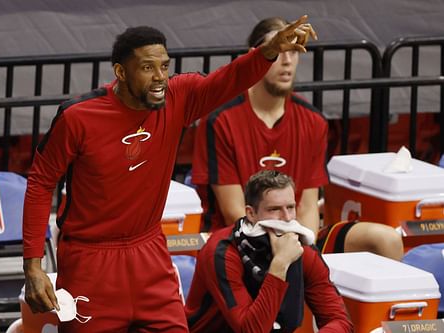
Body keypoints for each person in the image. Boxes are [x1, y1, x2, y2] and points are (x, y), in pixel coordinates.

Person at [22, 18, 317, 332]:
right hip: (90, 261)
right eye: (148, 68)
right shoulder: (78, 117)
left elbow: (229, 79)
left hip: (149, 253)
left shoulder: (179, 97)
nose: (160, 77)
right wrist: (33, 266)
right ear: (121, 72)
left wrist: (269, 50)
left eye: (164, 66)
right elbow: (40, 183)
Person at [191, 16, 403, 261]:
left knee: (385, 239)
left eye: (294, 51)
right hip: (240, 240)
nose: (287, 61)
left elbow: (308, 206)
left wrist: (307, 253)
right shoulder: (220, 120)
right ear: (256, 55)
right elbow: (234, 212)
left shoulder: (313, 121)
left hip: (296, 236)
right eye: (279, 51)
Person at [185, 170, 354, 332]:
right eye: (274, 209)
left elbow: (339, 321)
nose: (287, 218)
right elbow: (251, 330)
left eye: (290, 207)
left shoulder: (301, 249)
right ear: (250, 213)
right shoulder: (222, 252)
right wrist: (280, 264)